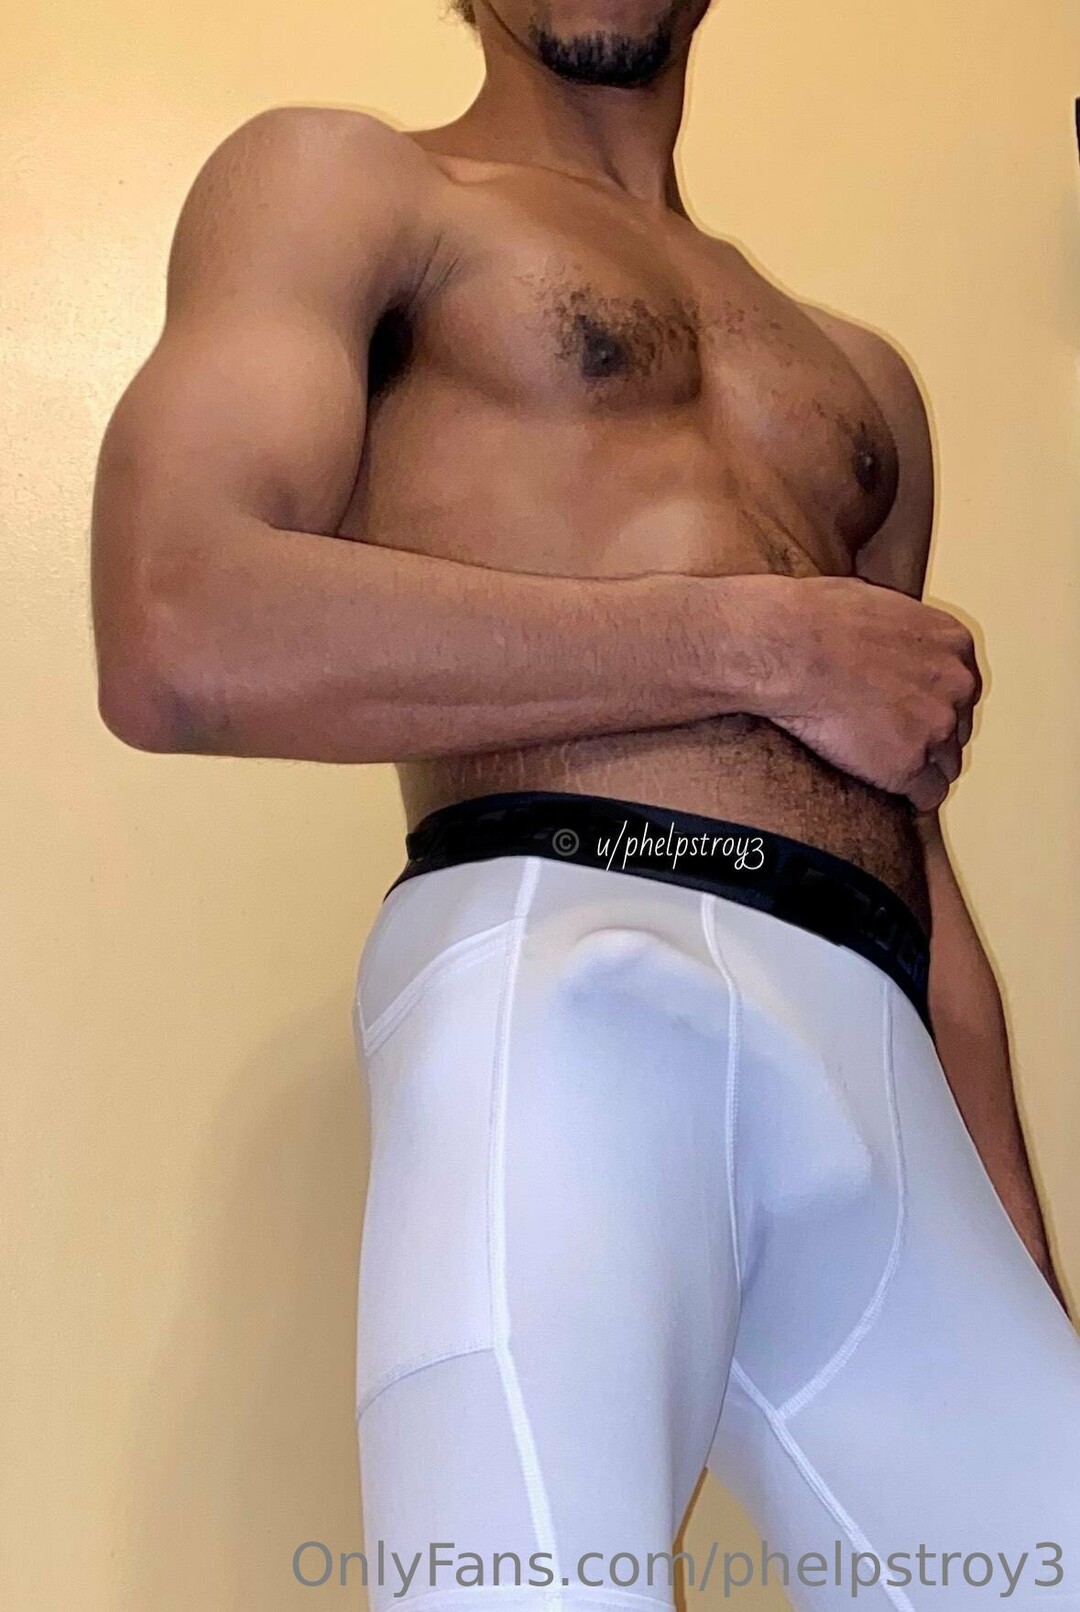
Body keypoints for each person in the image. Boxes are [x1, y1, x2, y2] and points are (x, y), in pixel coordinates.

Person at [91, 2, 1080, 1606]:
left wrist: (1020, 1264)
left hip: (882, 1061)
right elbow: (178, 625)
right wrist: (755, 642)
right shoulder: (352, 187)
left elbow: (914, 828)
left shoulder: (864, 385)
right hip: (567, 970)